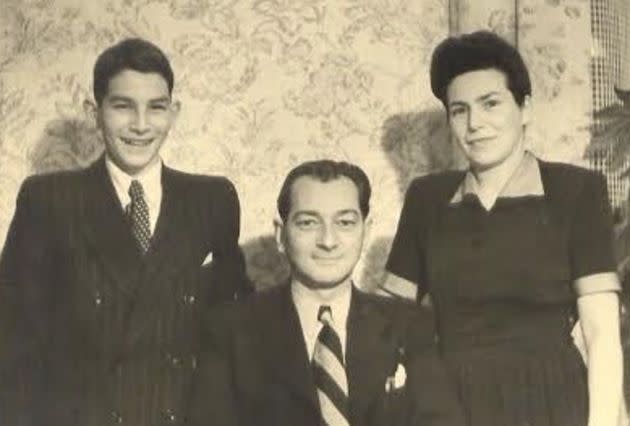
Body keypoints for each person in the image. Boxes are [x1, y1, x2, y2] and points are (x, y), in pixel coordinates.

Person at [0, 38, 251, 426]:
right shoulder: (49, 201)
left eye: (156, 108)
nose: (140, 125)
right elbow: (14, 345)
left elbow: (231, 333)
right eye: (123, 106)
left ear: (174, 112)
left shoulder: (212, 199)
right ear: (94, 112)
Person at [382, 30, 623, 426]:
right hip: (450, 408)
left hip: (553, 402)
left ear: (524, 107)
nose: (475, 124)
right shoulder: (427, 199)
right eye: (459, 110)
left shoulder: (576, 191)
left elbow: (601, 333)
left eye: (490, 104)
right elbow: (387, 317)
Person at [190, 160, 465, 426]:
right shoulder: (230, 329)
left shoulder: (410, 325)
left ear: (365, 232)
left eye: (344, 223)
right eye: (308, 223)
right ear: (280, 234)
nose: (328, 241)